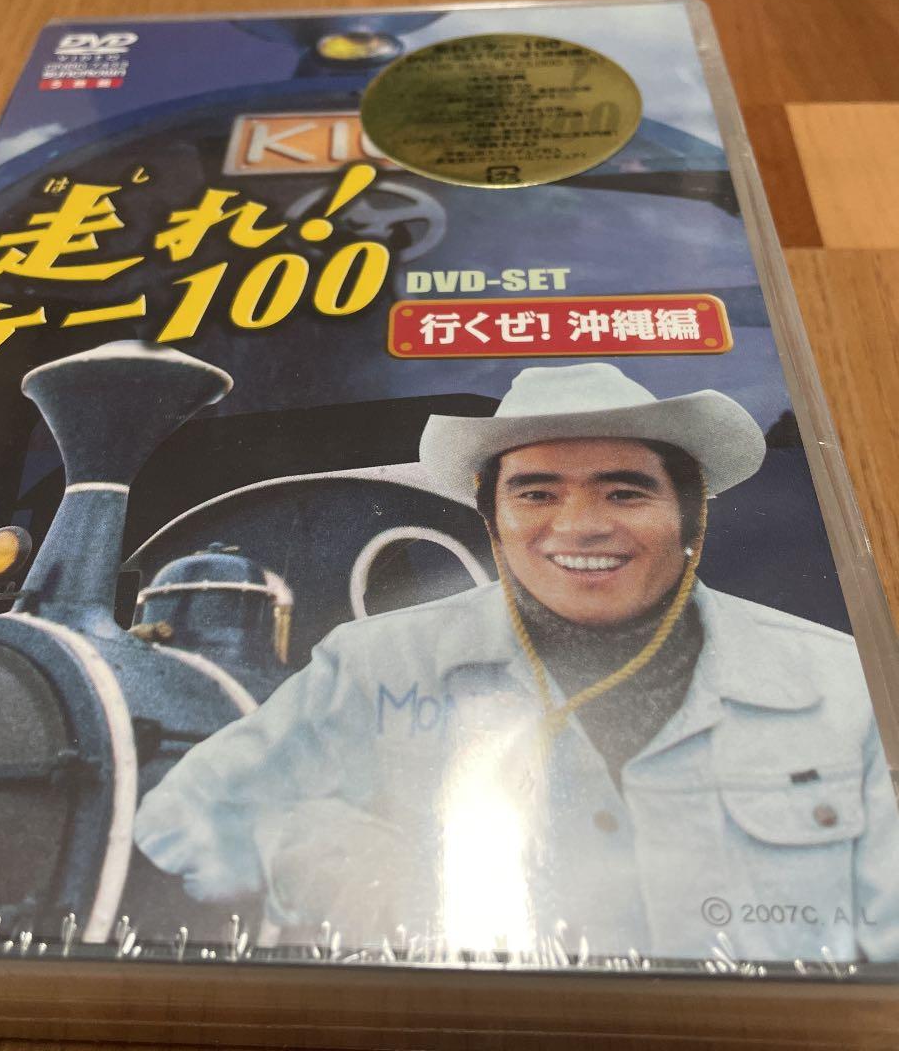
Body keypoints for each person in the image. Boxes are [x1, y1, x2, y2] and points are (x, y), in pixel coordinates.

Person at [134, 363, 899, 963]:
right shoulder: (377, 664)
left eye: (625, 493)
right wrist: (319, 854)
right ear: (493, 521)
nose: (581, 526)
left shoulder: (841, 683)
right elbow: (182, 817)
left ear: (690, 517)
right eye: (536, 494)